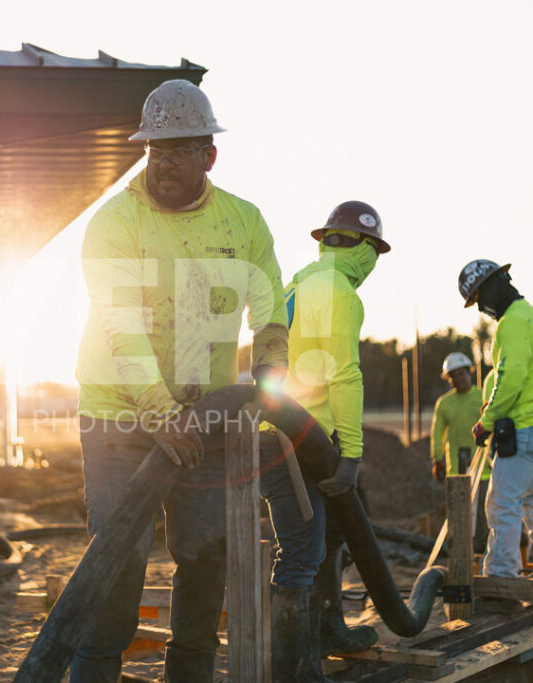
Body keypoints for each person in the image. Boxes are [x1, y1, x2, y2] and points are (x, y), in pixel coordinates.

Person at [74, 79, 289, 682]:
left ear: (209, 156)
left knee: (206, 555)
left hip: (208, 414)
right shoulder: (114, 224)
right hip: (119, 414)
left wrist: (270, 379)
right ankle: (95, 670)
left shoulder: (243, 223)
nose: (162, 163)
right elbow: (122, 329)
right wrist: (160, 414)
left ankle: (189, 673)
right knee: (117, 560)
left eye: (177, 150)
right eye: (153, 151)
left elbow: (270, 312)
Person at [277, 200, 391, 673]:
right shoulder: (340, 290)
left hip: (287, 433)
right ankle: (294, 667)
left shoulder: (299, 282)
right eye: (376, 253)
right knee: (302, 554)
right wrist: (353, 455)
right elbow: (345, 375)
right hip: (305, 439)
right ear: (364, 247)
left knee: (327, 538)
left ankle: (327, 628)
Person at [458, 260, 533, 585]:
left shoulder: (512, 322)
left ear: (493, 286)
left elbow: (510, 379)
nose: (481, 308)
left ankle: (500, 580)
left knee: (501, 503)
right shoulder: (532, 314)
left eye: (479, 298)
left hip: (529, 426)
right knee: (531, 497)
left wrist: (486, 421)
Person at [430, 352, 491, 554]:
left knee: (483, 515)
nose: (459, 379)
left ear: (469, 373)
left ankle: (481, 555)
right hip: (456, 471)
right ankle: (460, 555)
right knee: (458, 515)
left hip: (483, 469)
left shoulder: (482, 396)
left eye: (462, 374)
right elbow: (437, 433)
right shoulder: (444, 404)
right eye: (454, 376)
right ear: (449, 379)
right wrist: (436, 459)